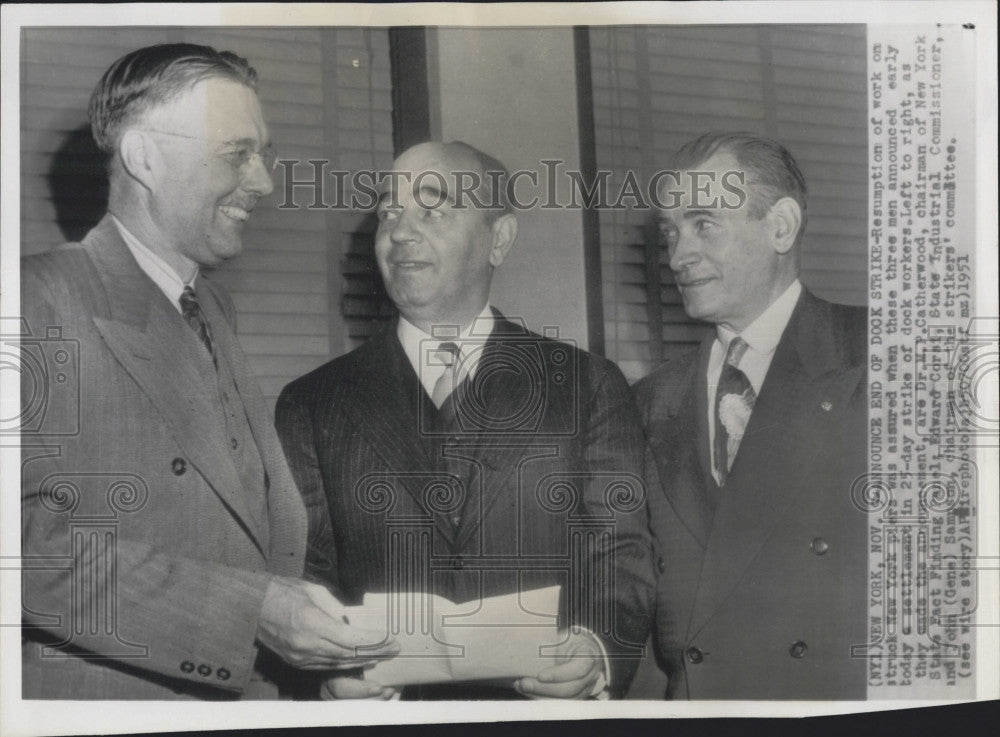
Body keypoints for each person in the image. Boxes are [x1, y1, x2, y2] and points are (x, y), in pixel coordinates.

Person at [20, 43, 396, 700]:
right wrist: (247, 613)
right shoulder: (32, 300)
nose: (264, 182)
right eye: (236, 154)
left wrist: (311, 663)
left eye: (263, 153)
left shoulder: (209, 306)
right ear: (144, 157)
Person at [276, 141, 655, 699]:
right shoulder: (311, 403)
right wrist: (328, 677)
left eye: (432, 210)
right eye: (388, 213)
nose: (400, 232)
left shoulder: (586, 386)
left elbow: (619, 555)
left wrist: (594, 651)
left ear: (499, 238)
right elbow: (306, 574)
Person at [633, 132, 868, 699]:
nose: (678, 255)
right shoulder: (646, 401)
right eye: (671, 232)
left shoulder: (885, 355)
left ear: (780, 226)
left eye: (703, 224)